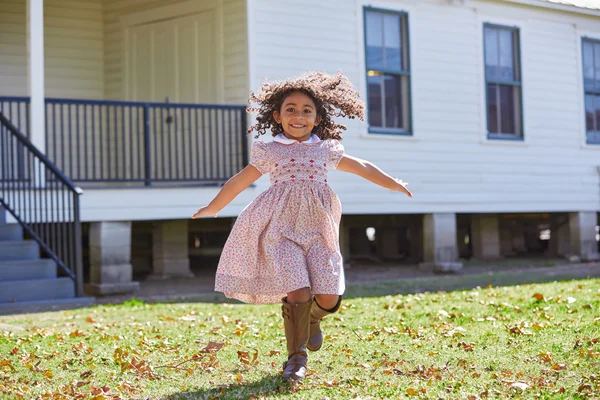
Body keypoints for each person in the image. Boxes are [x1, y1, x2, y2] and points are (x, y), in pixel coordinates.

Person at [192, 71, 413, 382]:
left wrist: (393, 184)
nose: (298, 116)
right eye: (290, 109)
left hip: (318, 230)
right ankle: (296, 358)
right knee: (297, 291)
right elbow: (241, 180)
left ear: (317, 116)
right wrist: (214, 207)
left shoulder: (325, 149)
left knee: (328, 298)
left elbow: (361, 166)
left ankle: (311, 319)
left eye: (306, 110)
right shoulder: (270, 150)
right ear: (277, 116)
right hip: (279, 230)